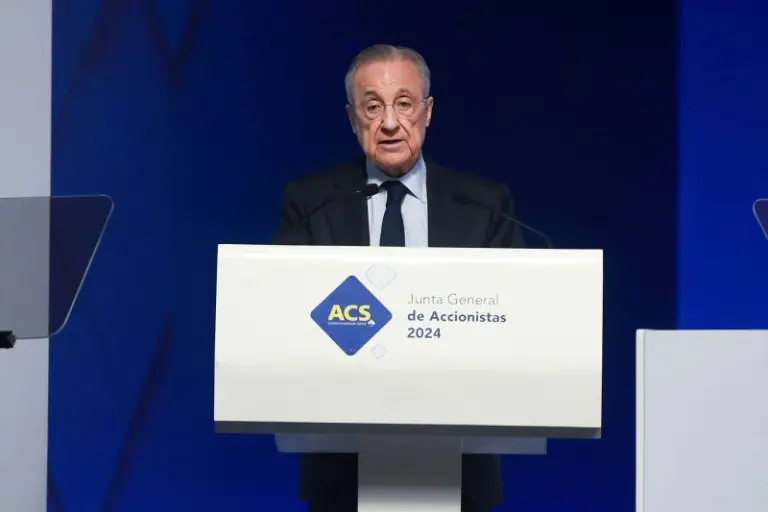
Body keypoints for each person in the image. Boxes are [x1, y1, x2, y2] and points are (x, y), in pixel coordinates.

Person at [274, 44, 524, 512]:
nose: (389, 122)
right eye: (373, 107)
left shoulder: (484, 204)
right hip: (342, 466)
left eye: (404, 104)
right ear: (352, 120)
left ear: (427, 112)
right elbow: (288, 318)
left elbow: (514, 323)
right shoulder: (311, 202)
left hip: (461, 463)